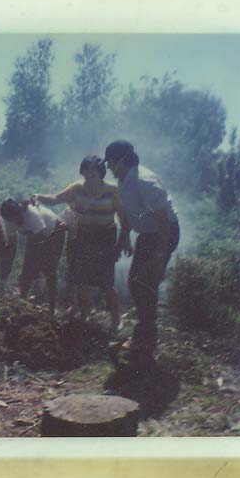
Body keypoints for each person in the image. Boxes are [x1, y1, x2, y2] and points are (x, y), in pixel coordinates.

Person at [103, 139, 180, 364]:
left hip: (164, 234)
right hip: (148, 235)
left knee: (144, 282)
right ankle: (144, 335)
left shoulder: (144, 181)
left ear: (121, 161)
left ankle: (146, 339)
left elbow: (164, 221)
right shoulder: (125, 181)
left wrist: (159, 255)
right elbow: (130, 213)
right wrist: (125, 236)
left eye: (110, 162)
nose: (108, 167)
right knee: (136, 282)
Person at [33, 155, 128, 333]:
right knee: (82, 281)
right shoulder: (77, 188)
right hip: (84, 236)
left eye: (95, 169)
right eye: (87, 169)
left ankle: (116, 319)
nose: (91, 173)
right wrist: (39, 197)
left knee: (106, 282)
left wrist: (123, 241)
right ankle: (85, 316)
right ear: (83, 171)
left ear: (101, 172)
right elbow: (55, 198)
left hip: (106, 238)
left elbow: (124, 219)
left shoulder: (112, 191)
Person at [0, 198, 66, 315]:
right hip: (36, 235)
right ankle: (22, 302)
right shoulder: (8, 221)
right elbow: (12, 246)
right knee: (28, 270)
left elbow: (38, 243)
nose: (17, 221)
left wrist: (34, 267)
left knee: (49, 269)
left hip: (54, 231)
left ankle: (51, 308)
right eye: (13, 219)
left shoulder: (32, 215)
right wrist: (7, 268)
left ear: (21, 211)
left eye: (18, 217)